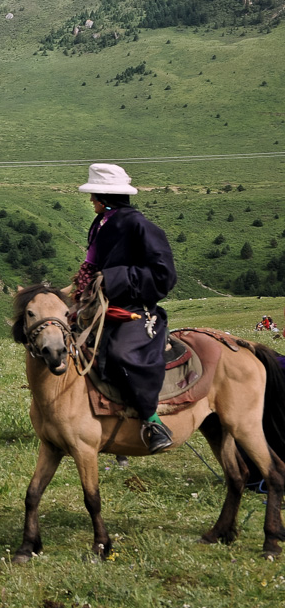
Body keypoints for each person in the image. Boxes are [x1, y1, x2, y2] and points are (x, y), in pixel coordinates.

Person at [73, 163, 178, 453]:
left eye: (94, 195)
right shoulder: (102, 223)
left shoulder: (139, 225)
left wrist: (113, 278)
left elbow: (164, 276)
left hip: (136, 310)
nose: (91, 200)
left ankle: (152, 420)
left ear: (105, 197)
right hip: (103, 307)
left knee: (122, 354)